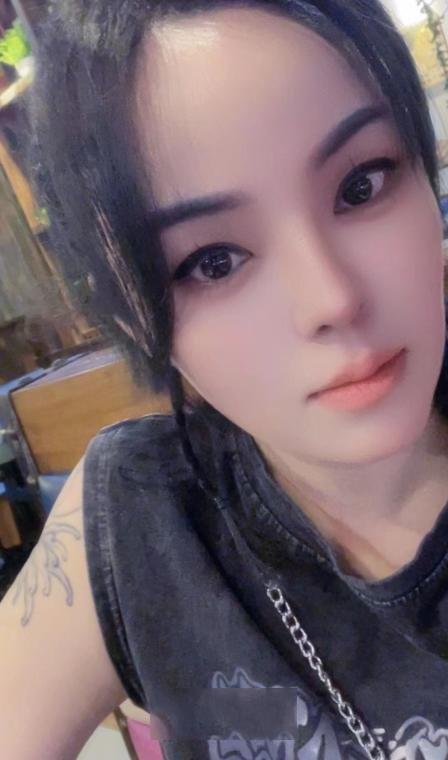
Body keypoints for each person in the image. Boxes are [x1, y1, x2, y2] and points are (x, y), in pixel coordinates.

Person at [2, 1, 448, 758]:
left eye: (361, 186)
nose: (332, 299)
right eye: (213, 261)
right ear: (134, 312)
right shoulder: (140, 514)